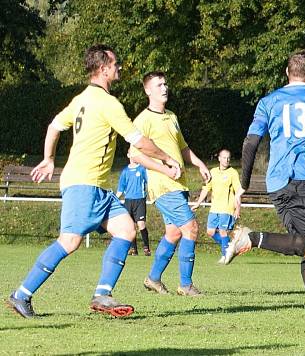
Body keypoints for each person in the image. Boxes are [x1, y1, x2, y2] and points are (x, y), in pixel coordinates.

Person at [6, 44, 182, 319]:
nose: (119, 67)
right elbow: (138, 141)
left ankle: (102, 294)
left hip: (96, 186)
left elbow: (54, 126)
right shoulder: (107, 103)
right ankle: (22, 295)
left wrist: (49, 158)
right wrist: (167, 159)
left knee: (126, 229)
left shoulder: (82, 99)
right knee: (70, 241)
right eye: (115, 64)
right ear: (103, 69)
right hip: (84, 182)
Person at [222, 50, 305, 326]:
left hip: (277, 183)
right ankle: (252, 238)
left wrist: (244, 183)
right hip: (301, 181)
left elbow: (250, 143)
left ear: (287, 72)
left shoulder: (269, 101)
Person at [133, 71, 212, 297]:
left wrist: (199, 164)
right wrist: (164, 169)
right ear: (148, 90)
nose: (164, 88)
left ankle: (153, 279)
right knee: (191, 228)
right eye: (159, 85)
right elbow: (134, 155)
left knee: (174, 233)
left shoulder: (172, 116)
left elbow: (183, 147)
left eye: (165, 83)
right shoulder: (143, 120)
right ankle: (186, 285)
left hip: (179, 185)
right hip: (163, 186)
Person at [190, 149, 244, 262]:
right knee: (210, 232)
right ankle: (230, 246)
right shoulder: (213, 172)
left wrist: (238, 208)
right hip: (214, 208)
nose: (227, 160)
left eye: (228, 158)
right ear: (219, 158)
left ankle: (225, 256)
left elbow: (238, 192)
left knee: (223, 231)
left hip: (227, 208)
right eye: (224, 157)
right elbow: (206, 189)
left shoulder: (232, 173)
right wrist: (197, 203)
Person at [116, 153, 151, 256]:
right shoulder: (125, 172)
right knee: (131, 226)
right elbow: (120, 189)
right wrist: (114, 200)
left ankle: (146, 247)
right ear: (128, 155)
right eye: (132, 153)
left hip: (139, 200)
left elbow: (149, 182)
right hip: (128, 201)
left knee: (141, 224)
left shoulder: (142, 169)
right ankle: (133, 249)